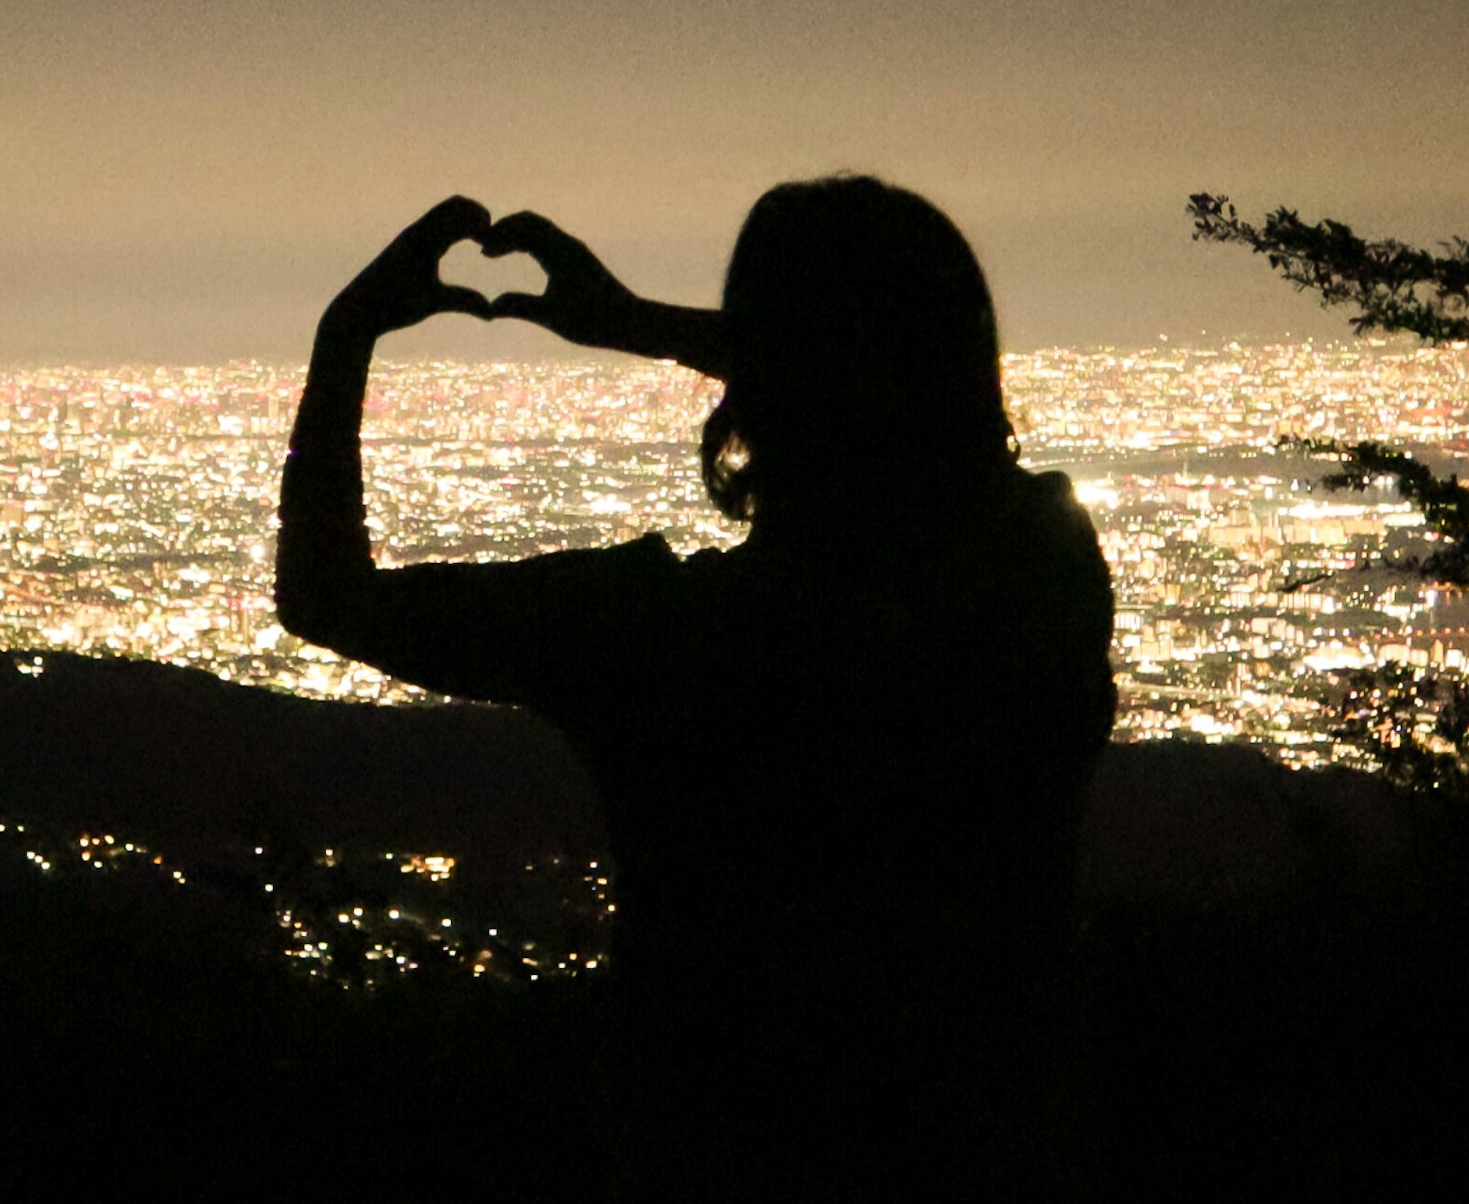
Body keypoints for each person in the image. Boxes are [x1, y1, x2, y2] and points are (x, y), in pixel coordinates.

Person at [278, 178, 1116, 1192]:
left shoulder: (657, 631)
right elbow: (891, 401)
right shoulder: (1042, 577)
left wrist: (347, 331)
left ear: (754, 388)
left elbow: (326, 593)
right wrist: (644, 325)